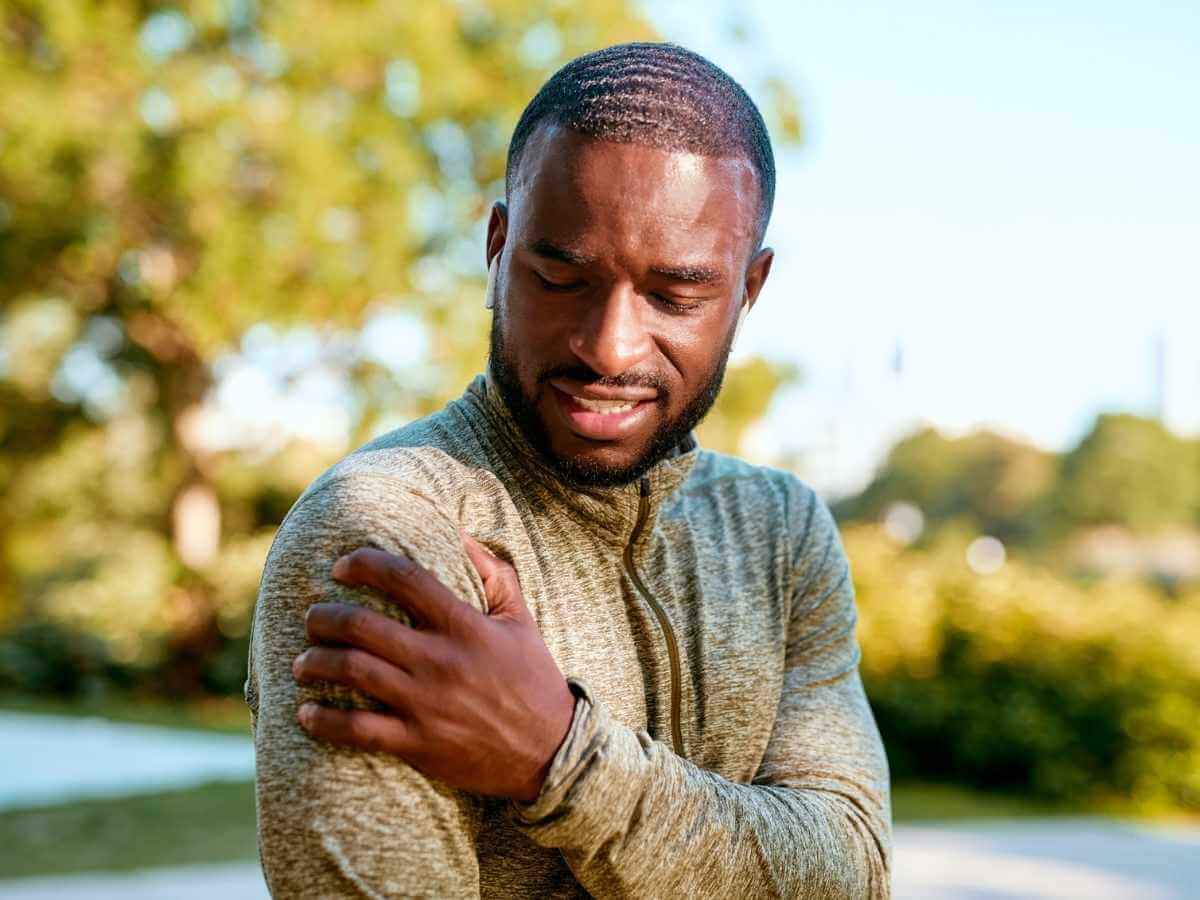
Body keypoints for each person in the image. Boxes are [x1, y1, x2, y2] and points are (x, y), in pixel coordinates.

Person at [246, 41, 891, 899]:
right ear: (498, 246)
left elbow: (850, 874)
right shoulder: (389, 533)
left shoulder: (780, 531)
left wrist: (561, 757)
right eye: (561, 275)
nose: (608, 345)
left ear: (749, 290)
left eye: (677, 295)